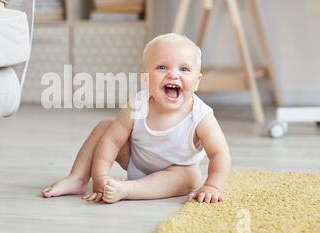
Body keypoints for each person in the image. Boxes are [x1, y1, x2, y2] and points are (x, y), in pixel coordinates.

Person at [42, 33, 231, 204]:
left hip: (176, 170)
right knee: (105, 127)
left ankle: (128, 190)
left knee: (191, 177)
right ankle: (78, 178)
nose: (173, 74)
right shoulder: (136, 105)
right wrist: (100, 177)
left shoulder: (201, 116)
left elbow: (219, 153)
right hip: (135, 159)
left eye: (184, 69)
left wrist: (213, 186)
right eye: (162, 67)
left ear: (197, 82)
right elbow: (112, 142)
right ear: (146, 78)